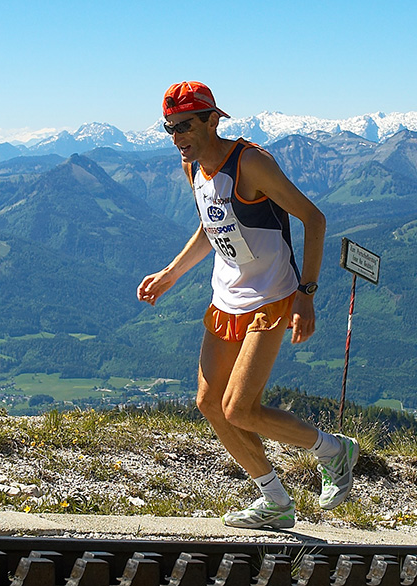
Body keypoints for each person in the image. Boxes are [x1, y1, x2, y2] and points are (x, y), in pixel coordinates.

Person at [137, 81, 359, 530]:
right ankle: (274, 501)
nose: (177, 136)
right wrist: (171, 274)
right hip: (226, 297)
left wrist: (306, 293)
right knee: (209, 403)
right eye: (169, 128)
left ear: (213, 120)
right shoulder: (192, 168)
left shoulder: (250, 163)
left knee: (240, 408)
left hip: (272, 295)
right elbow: (211, 225)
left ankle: (334, 450)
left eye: (185, 125)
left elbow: (314, 219)